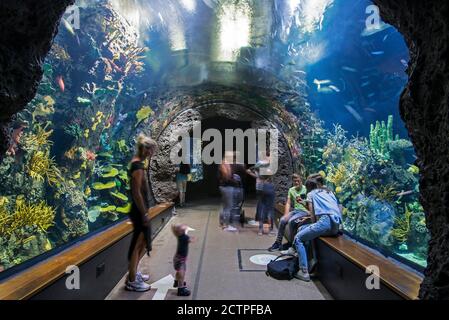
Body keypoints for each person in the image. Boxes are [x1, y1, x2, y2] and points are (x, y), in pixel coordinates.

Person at [293, 174, 342, 282]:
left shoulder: (311, 194)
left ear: (309, 186)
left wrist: (313, 224)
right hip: (335, 226)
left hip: (324, 223)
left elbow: (313, 215)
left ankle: (304, 271)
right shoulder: (329, 192)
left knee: (298, 238)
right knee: (302, 230)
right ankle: (311, 262)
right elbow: (339, 207)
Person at [126, 134, 158, 292]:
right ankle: (132, 281)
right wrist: (144, 213)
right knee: (138, 245)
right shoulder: (137, 166)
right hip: (139, 211)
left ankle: (135, 272)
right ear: (145, 149)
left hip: (140, 210)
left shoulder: (138, 163)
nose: (152, 153)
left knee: (143, 243)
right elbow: (137, 192)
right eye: (151, 149)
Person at [268, 174, 309, 251]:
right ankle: (278, 242)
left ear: (301, 180)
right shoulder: (291, 190)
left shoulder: (306, 189)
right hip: (296, 211)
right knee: (283, 219)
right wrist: (286, 214)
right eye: (294, 181)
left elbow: (309, 204)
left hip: (305, 211)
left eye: (298, 181)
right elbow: (288, 203)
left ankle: (291, 243)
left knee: (291, 221)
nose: (296, 182)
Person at [247, 153, 275, 235]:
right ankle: (270, 230)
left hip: (260, 187)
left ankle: (260, 230)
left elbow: (249, 170)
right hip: (269, 186)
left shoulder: (259, 164)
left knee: (262, 208)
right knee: (270, 209)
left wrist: (257, 177)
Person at [218, 151, 246, 232]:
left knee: (226, 206)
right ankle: (226, 226)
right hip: (228, 187)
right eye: (232, 156)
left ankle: (223, 222)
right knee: (229, 207)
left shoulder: (225, 164)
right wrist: (235, 181)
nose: (233, 158)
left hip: (224, 187)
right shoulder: (226, 165)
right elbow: (227, 177)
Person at [172, 224, 194, 296]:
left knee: (178, 271)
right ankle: (181, 289)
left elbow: (175, 231)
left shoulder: (179, 236)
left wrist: (175, 228)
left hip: (176, 258)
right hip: (181, 260)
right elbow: (190, 240)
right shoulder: (185, 237)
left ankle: (176, 282)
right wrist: (192, 239)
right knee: (182, 274)